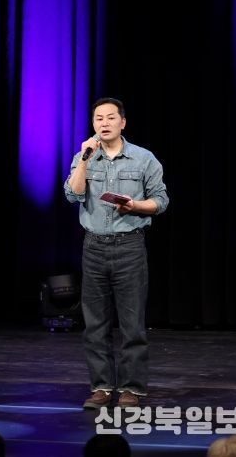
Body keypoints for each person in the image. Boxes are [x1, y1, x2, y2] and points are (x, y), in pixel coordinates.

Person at [64, 97, 169, 409]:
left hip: (129, 247)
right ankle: (101, 387)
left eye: (111, 117)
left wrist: (134, 205)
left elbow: (161, 200)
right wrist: (85, 159)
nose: (104, 123)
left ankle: (131, 390)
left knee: (132, 324)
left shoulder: (143, 158)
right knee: (95, 325)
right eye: (99, 118)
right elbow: (72, 194)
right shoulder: (84, 156)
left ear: (123, 122)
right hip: (94, 247)